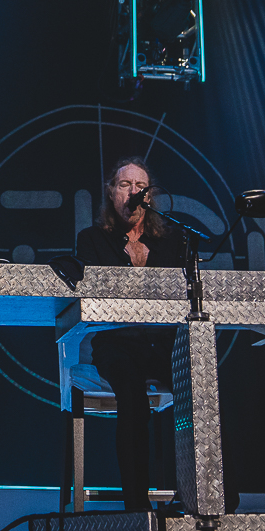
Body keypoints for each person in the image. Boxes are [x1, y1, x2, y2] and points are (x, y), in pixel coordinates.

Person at [74, 156, 184, 511]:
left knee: (203, 389)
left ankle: (208, 499)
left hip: (160, 343)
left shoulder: (170, 241)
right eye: (125, 185)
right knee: (132, 397)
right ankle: (137, 509)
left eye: (141, 187)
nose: (133, 192)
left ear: (150, 196)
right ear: (111, 192)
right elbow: (95, 295)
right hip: (116, 343)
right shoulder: (93, 240)